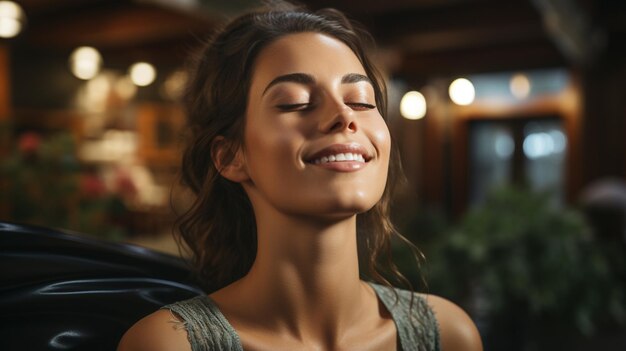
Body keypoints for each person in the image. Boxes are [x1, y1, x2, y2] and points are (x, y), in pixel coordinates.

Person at [118, 2, 482, 350]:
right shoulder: (168, 344)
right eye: (295, 102)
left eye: (360, 100)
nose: (343, 116)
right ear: (231, 156)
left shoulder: (447, 336)